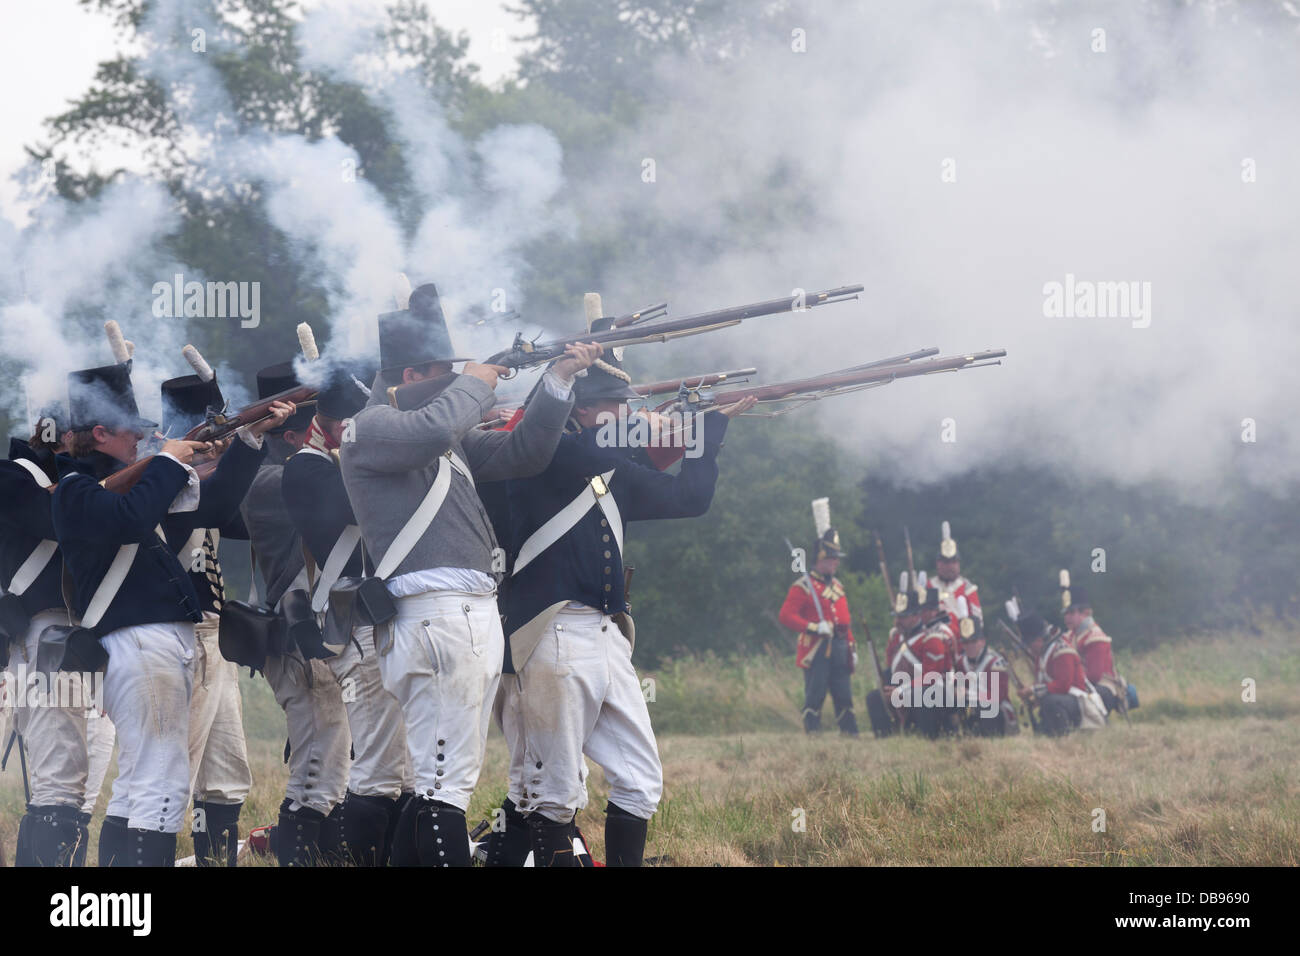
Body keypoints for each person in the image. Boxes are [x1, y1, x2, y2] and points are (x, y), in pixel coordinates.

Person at [339, 281, 599, 866]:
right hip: (437, 616)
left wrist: (557, 381)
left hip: (463, 618)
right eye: (439, 369)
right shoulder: (371, 427)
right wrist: (478, 380)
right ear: (409, 376)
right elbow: (433, 428)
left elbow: (527, 454)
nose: (453, 378)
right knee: (444, 788)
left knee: (437, 782)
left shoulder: (441, 439)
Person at [487, 352, 753, 866]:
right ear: (581, 412)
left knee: (638, 779)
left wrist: (709, 429)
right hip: (551, 631)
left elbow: (689, 499)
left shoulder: (611, 470)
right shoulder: (544, 455)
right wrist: (652, 425)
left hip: (606, 634)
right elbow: (588, 452)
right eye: (613, 407)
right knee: (549, 793)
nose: (624, 414)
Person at [53, 360, 290, 866]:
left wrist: (249, 440)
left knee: (145, 782)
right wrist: (167, 459)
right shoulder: (74, 487)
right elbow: (129, 518)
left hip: (156, 643)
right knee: (159, 782)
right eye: (134, 431)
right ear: (99, 434)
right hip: (138, 643)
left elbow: (221, 504)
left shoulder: (143, 483)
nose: (148, 437)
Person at [281, 362, 415, 866]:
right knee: (379, 767)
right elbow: (366, 506)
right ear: (334, 424)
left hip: (383, 621)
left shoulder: (341, 458)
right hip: (353, 628)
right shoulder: (306, 469)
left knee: (405, 770)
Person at [240, 358, 352, 867]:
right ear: (290, 436)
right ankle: (301, 851)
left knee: (331, 749)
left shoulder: (293, 467)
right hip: (294, 629)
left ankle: (323, 850)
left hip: (313, 626)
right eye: (318, 427)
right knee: (317, 751)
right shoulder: (270, 481)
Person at [159, 364, 259, 867]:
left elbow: (242, 518)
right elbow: (214, 508)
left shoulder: (205, 483)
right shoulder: (165, 483)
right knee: (173, 775)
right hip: (185, 636)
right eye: (212, 433)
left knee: (224, 774)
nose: (220, 443)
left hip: (216, 638)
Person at [3, 406, 94, 866]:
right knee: (59, 782)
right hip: (43, 639)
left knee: (62, 780)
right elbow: (58, 520)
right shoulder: (14, 476)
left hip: (59, 640)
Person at [779, 505, 859, 736]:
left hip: (840, 646)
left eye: (836, 558)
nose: (836, 562)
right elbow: (786, 616)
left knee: (843, 692)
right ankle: (813, 733)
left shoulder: (838, 586)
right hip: (817, 647)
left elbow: (845, 621)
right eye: (832, 558)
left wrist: (851, 646)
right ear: (821, 558)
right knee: (815, 693)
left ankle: (850, 733)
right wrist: (814, 627)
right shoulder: (803, 586)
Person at [953, 598, 1018, 736]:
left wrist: (968, 695)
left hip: (998, 712)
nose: (969, 646)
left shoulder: (995, 662)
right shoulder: (961, 663)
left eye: (973, 641)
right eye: (965, 642)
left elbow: (996, 697)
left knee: (984, 706)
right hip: (974, 707)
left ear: (982, 641)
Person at [1020, 612, 1087, 736]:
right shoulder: (1042, 653)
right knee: (1047, 701)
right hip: (1063, 700)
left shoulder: (1062, 650)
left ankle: (1062, 733)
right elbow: (1043, 681)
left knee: (1051, 701)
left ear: (1039, 640)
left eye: (1030, 645)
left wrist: (1033, 690)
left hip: (1077, 702)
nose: (1029, 649)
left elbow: (1063, 686)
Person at [1062, 585, 1122, 713]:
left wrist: (1066, 681)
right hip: (1080, 683)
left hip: (1102, 687)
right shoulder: (1069, 635)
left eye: (1071, 612)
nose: (1067, 617)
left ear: (1085, 613)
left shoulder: (1095, 637)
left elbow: (1095, 675)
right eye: (1065, 613)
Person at [929, 520, 981, 661]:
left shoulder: (967, 587)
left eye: (953, 562)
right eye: (945, 562)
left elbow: (977, 619)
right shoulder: (930, 585)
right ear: (938, 563)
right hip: (933, 641)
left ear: (958, 563)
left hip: (962, 642)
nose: (950, 566)